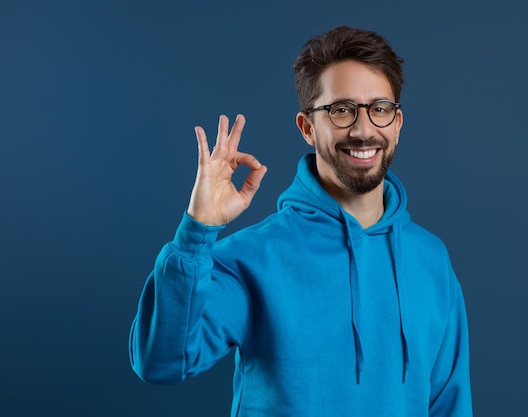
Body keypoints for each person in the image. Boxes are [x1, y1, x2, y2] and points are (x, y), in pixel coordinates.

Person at [129, 25, 473, 416]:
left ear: (397, 122)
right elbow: (161, 363)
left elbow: (449, 404)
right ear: (308, 127)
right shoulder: (251, 257)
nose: (363, 130)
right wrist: (196, 233)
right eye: (341, 110)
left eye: (379, 109)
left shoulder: (430, 259)